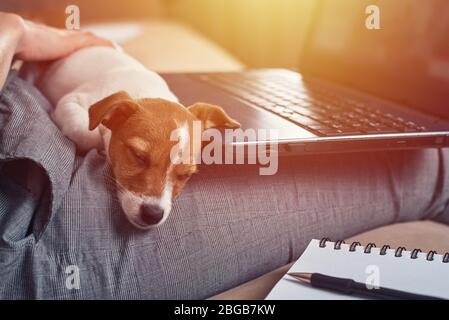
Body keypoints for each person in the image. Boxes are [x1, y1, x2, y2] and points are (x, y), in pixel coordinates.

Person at [0, 12, 448, 299]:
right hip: (27, 196)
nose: (159, 200)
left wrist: (15, 31)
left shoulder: (175, 117)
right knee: (433, 163)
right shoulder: (108, 108)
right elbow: (77, 110)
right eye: (139, 158)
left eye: (183, 175)